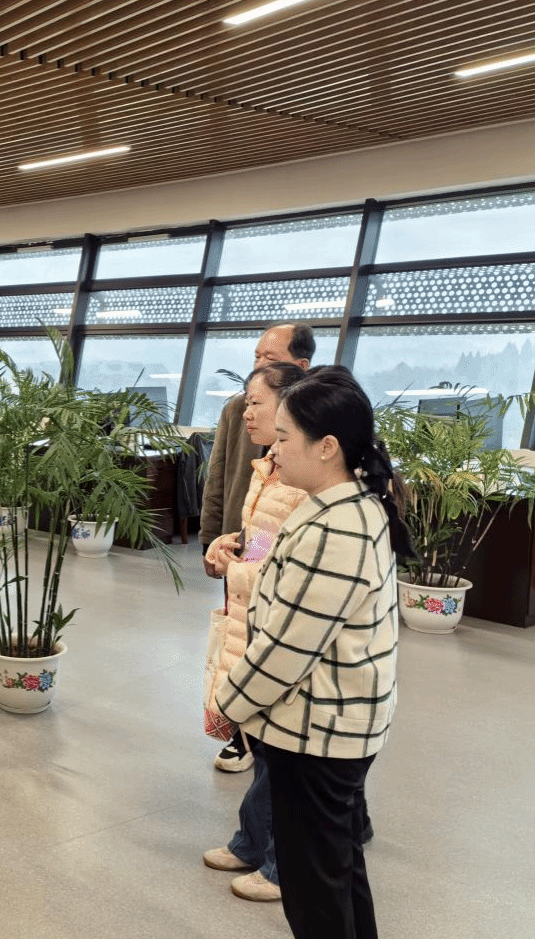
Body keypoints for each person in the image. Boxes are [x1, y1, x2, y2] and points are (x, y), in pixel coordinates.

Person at [214, 365, 414, 939]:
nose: (273, 451)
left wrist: (228, 705)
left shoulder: (337, 527)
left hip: (319, 733)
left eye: (283, 438)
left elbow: (286, 650)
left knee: (315, 892)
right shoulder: (337, 505)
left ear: (327, 447)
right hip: (332, 724)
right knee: (337, 871)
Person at [201, 362, 307, 903]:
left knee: (282, 752)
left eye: (255, 403)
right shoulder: (267, 466)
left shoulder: (307, 482)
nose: (245, 413)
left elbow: (294, 570)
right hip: (250, 615)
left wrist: (240, 568)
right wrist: (230, 545)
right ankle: (252, 842)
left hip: (275, 624)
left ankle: (282, 865)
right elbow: (262, 539)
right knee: (261, 741)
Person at [200, 322, 314, 773]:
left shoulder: (308, 462)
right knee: (237, 645)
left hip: (274, 584)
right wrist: (217, 541)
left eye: (271, 360)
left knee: (261, 653)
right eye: (256, 357)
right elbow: (220, 479)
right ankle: (243, 734)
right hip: (242, 558)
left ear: (299, 370)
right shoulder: (249, 431)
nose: (259, 365)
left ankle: (256, 738)